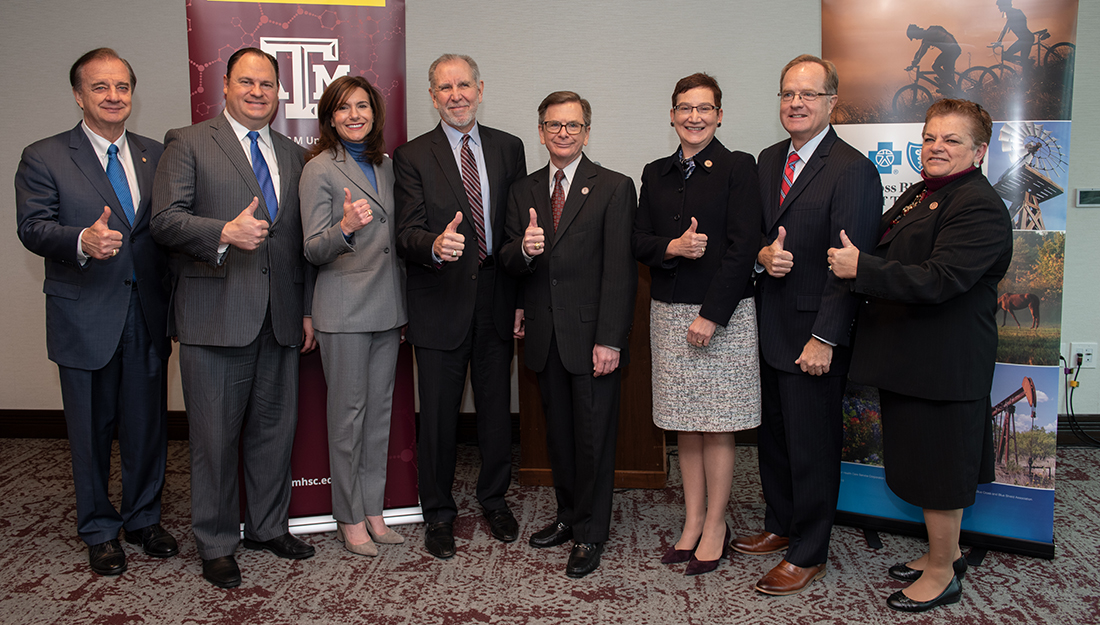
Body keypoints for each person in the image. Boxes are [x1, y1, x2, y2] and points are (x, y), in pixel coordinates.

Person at [828, 99, 1012, 613]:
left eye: (951, 141)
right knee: (925, 463)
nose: (936, 147)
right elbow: (888, 249)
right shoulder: (924, 193)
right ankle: (943, 554)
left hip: (944, 364)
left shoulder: (976, 203)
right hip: (912, 359)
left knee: (940, 471)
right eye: (931, 138)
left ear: (978, 151)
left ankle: (941, 573)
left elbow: (940, 279)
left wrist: (859, 268)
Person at [151, 47, 316, 588]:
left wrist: (307, 309)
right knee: (214, 441)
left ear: (278, 94)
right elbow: (166, 223)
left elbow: (296, 244)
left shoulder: (294, 155)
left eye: (267, 85)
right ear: (224, 85)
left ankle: (268, 526)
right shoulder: (188, 141)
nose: (257, 92)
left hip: (281, 318)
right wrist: (223, 232)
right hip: (214, 317)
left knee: (274, 432)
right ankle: (217, 542)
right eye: (246, 82)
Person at [15, 48, 177, 576]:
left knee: (147, 426)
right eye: (101, 87)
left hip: (148, 314)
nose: (113, 97)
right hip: (85, 315)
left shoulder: (158, 154)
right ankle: (99, 528)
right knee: (89, 430)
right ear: (79, 95)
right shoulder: (44, 155)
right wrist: (81, 239)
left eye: (122, 87)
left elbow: (166, 230)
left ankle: (143, 518)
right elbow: (33, 227)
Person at [735, 54, 882, 595]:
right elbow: (757, 234)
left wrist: (825, 337)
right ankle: (781, 525)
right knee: (774, 439)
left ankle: (809, 549)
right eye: (787, 94)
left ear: (831, 102)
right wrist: (760, 257)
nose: (795, 103)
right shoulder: (769, 158)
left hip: (814, 338)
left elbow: (851, 266)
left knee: (813, 446)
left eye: (808, 95)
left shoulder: (853, 170)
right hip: (768, 327)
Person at [393, 54, 526, 559]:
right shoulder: (411, 156)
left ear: (480, 87)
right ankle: (439, 514)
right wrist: (433, 245)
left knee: (496, 411)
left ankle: (494, 500)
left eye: (464, 84)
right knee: (440, 419)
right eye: (445, 87)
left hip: (496, 294)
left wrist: (518, 300)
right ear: (433, 96)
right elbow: (405, 232)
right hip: (440, 296)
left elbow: (516, 231)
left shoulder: (508, 148)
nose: (456, 95)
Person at [500, 91, 638, 578]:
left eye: (573, 125)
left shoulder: (615, 187)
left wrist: (611, 339)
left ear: (586, 131)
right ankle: (567, 516)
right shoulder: (523, 190)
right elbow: (508, 260)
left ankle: (591, 532)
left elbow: (620, 273)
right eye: (554, 125)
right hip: (544, 335)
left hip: (591, 338)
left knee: (594, 440)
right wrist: (525, 249)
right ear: (540, 132)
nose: (563, 133)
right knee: (559, 437)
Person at [631, 73, 762, 576]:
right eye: (684, 107)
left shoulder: (737, 167)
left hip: (722, 313)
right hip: (667, 313)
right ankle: (691, 521)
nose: (694, 116)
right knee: (684, 424)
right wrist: (672, 247)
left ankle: (716, 524)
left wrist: (711, 314)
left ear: (720, 115)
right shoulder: (655, 172)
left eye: (704, 108)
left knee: (718, 425)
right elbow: (638, 239)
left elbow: (743, 245)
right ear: (671, 114)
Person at [300, 76, 406, 557]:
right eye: (344, 108)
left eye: (363, 106)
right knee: (347, 418)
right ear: (330, 117)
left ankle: (374, 509)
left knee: (378, 417)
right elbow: (312, 248)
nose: (355, 115)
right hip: (342, 311)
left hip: (386, 307)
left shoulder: (385, 165)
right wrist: (343, 226)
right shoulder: (319, 169)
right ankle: (347, 516)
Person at [906, 24, 961, 93]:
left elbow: (924, 49)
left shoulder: (929, 33)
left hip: (952, 50)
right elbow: (919, 51)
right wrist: (913, 63)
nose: (916, 39)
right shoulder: (927, 36)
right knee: (947, 74)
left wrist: (916, 61)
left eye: (914, 37)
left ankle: (947, 87)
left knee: (936, 66)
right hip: (950, 51)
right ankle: (954, 89)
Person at [994, 0, 1034, 68]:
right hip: (1025, 39)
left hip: (1026, 40)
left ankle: (1029, 63)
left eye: (999, 6)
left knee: (1007, 55)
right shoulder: (1011, 13)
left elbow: (1005, 28)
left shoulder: (1013, 13)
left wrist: (999, 41)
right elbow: (1005, 29)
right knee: (1024, 63)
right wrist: (999, 41)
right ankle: (1028, 63)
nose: (999, 8)